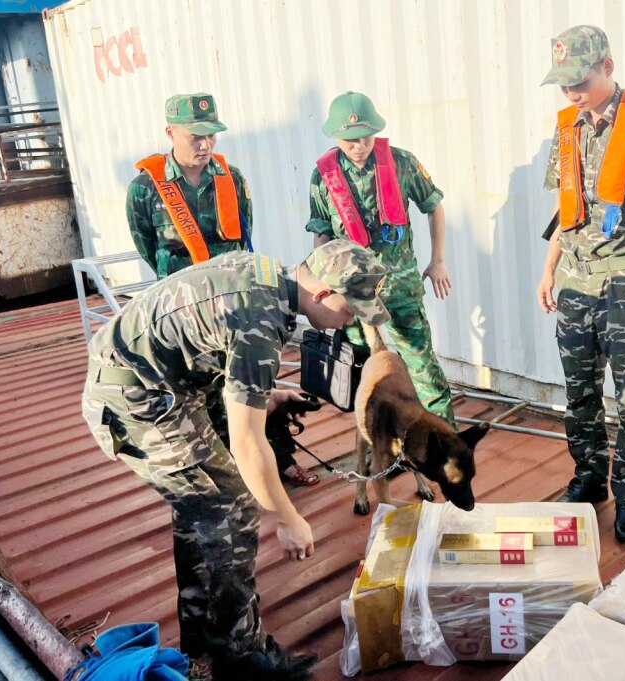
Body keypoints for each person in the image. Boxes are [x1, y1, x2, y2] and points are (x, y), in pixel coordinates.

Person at [81, 240, 390, 680]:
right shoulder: (260, 322)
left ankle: (202, 637)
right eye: (351, 309)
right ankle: (242, 657)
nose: (352, 320)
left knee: (202, 508)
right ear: (323, 293)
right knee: (232, 507)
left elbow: (218, 355)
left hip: (158, 381)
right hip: (138, 399)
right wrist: (287, 517)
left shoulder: (267, 275)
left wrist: (271, 395)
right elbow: (248, 443)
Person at [535, 25, 625, 543]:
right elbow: (565, 210)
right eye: (564, 84)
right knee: (579, 393)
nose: (572, 92)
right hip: (575, 281)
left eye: (579, 80)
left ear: (608, 67)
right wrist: (548, 268)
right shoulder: (567, 129)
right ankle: (589, 479)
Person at [126, 91, 318, 487]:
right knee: (199, 394)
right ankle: (229, 468)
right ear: (170, 132)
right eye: (195, 135)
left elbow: (244, 240)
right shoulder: (144, 189)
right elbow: (146, 246)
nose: (205, 144)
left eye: (211, 134)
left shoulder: (233, 179)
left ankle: (278, 459)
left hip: (235, 310)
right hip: (186, 319)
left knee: (251, 388)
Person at [306, 91, 456, 426]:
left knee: (421, 366)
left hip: (400, 285)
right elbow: (321, 236)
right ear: (336, 137)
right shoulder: (323, 177)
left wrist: (438, 260)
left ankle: (444, 440)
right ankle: (383, 440)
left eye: (363, 137)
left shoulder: (402, 163)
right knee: (364, 373)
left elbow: (434, 207)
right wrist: (323, 287)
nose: (358, 146)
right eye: (348, 140)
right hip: (353, 292)